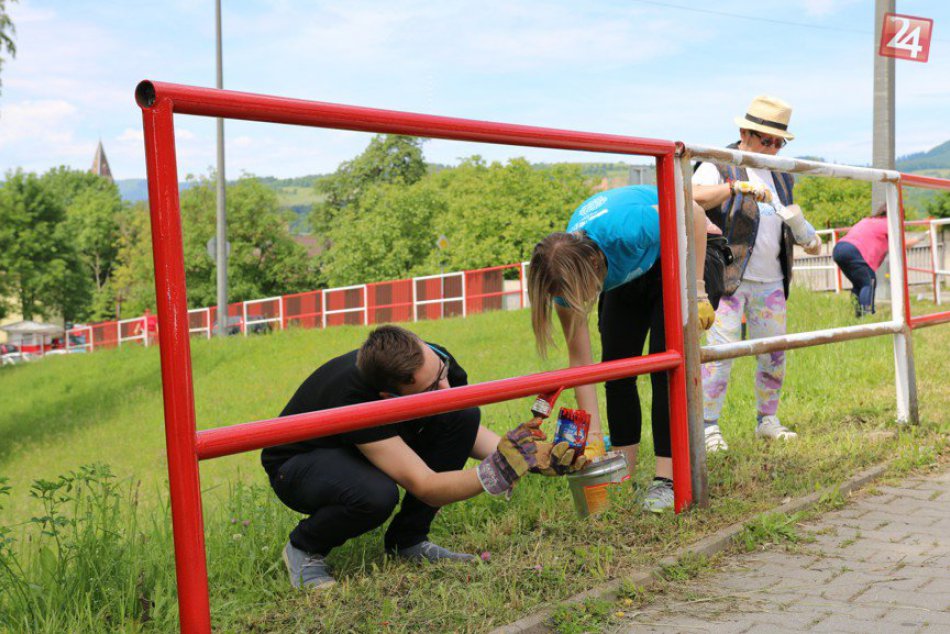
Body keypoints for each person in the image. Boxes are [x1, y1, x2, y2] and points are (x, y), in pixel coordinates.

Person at [262, 325, 583, 589]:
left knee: (461, 413)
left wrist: (534, 459)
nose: (446, 387)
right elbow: (426, 485)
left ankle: (408, 540)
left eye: (442, 372)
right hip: (298, 463)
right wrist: (498, 472)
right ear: (389, 398)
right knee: (375, 495)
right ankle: (304, 547)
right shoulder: (356, 399)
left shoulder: (435, 361)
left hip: (354, 445)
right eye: (432, 388)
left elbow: (462, 432)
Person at [527, 184, 717, 513]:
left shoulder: (627, 229)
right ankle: (622, 472)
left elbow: (696, 216)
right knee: (615, 369)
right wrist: (594, 441)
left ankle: (667, 480)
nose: (577, 303)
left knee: (665, 365)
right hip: (632, 268)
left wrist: (698, 291)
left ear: (592, 268)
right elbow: (582, 366)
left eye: (580, 295)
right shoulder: (563, 277)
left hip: (683, 249)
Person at [692, 95, 822, 452]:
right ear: (744, 133)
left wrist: (804, 232)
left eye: (779, 141)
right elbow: (693, 196)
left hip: (773, 279)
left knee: (774, 353)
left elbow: (787, 216)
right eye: (766, 140)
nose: (773, 147)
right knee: (721, 354)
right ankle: (708, 427)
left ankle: (768, 419)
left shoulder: (779, 173)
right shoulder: (720, 163)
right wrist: (736, 187)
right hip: (730, 278)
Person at [832, 204, 922, 317]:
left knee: (859, 283)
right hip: (854, 251)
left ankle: (857, 316)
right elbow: (902, 244)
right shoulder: (889, 224)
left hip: (839, 248)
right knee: (869, 281)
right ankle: (866, 315)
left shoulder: (868, 220)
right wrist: (918, 239)